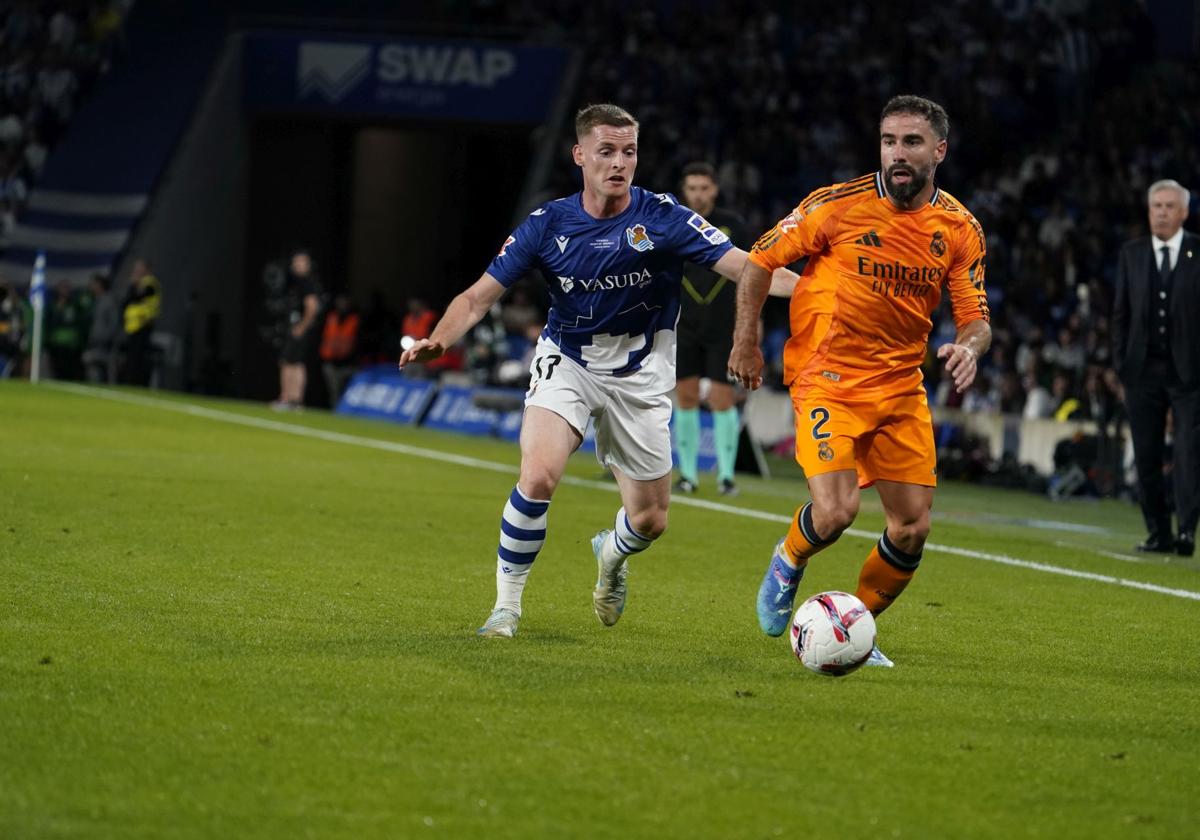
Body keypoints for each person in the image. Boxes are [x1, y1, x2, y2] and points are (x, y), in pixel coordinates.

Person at [398, 103, 796, 639]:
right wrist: (438, 340)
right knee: (537, 476)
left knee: (651, 520)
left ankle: (612, 553)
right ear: (580, 155)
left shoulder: (663, 217)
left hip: (642, 371)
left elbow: (749, 268)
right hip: (569, 361)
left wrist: (830, 290)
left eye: (628, 152)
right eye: (606, 151)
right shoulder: (547, 224)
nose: (618, 163)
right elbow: (476, 299)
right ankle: (506, 607)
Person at [728, 95, 991, 667]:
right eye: (889, 141)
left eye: (912, 143)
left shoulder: (960, 227)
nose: (898, 153)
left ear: (939, 151)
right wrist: (745, 340)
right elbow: (759, 260)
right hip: (828, 377)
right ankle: (789, 558)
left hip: (899, 385)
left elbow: (975, 316)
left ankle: (854, 629)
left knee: (912, 528)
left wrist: (969, 348)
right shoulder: (837, 206)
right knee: (836, 513)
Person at [1112, 179, 1199, 556]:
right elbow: (1121, 314)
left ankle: (1187, 531)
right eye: (1156, 206)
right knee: (1146, 454)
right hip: (1142, 372)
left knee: (1188, 453)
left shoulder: (1198, 251)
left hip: (1189, 374)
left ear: (1184, 212)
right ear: (1149, 212)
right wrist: (1121, 364)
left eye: (1168, 206)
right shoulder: (1131, 254)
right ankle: (1158, 532)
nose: (1161, 212)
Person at [673, 161, 750, 497]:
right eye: (692, 188)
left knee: (722, 398)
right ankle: (688, 475)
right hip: (684, 324)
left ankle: (726, 477)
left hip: (723, 326)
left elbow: (752, 272)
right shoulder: (674, 223)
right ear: (683, 191)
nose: (699, 195)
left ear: (715, 190)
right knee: (686, 396)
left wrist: (751, 326)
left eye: (704, 188)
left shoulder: (733, 225)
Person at [273, 249, 321, 410]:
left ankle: (288, 398)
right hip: (295, 327)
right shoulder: (294, 282)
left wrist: (302, 326)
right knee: (294, 362)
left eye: (302, 262)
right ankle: (295, 400)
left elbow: (312, 307)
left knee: (288, 362)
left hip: (299, 328)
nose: (298, 265)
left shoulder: (306, 283)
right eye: (296, 262)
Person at [121, 259, 161, 387]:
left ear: (147, 270)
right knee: (132, 356)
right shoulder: (140, 284)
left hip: (143, 324)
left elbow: (137, 297)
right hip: (133, 326)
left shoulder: (150, 283)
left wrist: (134, 285)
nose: (136, 271)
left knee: (139, 357)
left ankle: (137, 383)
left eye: (139, 269)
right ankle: (131, 382)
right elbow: (127, 301)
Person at [319, 292, 359, 405]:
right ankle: (336, 411)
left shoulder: (354, 319)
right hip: (331, 362)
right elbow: (324, 337)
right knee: (334, 391)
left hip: (348, 363)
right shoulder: (332, 317)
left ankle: (347, 412)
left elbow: (357, 341)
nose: (341, 304)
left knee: (349, 391)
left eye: (344, 302)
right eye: (339, 302)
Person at [82, 273, 119, 383]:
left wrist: (107, 338)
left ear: (100, 285)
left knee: (108, 369)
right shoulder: (94, 300)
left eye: (93, 284)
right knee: (91, 366)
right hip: (94, 341)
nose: (90, 286)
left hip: (106, 343)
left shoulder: (109, 301)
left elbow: (114, 322)